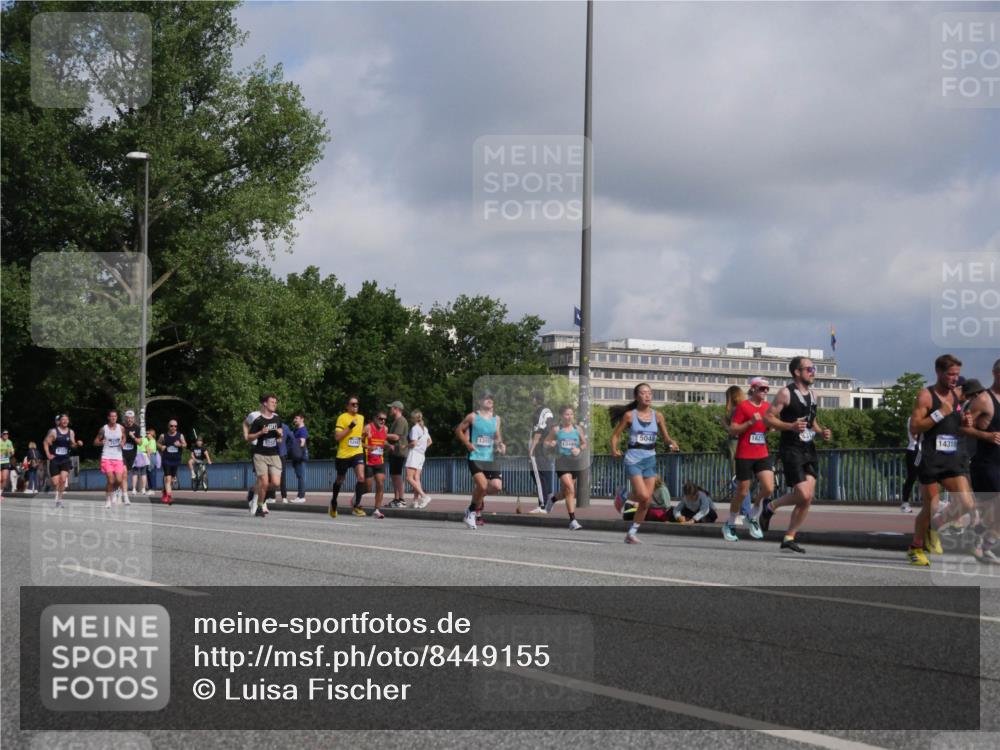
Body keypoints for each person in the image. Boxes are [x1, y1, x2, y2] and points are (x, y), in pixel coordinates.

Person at [904, 354, 977, 567]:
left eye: (957, 374)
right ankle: (915, 548)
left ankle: (935, 526)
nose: (955, 378)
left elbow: (955, 424)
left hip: (952, 458)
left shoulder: (958, 394)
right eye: (950, 374)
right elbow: (915, 427)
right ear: (938, 372)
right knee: (931, 506)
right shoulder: (926, 396)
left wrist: (965, 421)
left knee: (966, 503)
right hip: (930, 458)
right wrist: (939, 413)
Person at [759, 357, 833, 554]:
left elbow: (812, 421)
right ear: (797, 372)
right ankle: (771, 507)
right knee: (803, 493)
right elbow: (767, 418)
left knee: (807, 498)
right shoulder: (786, 393)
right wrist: (790, 426)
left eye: (813, 369)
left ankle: (789, 537)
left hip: (808, 449)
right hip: (791, 449)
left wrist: (821, 432)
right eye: (809, 369)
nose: (813, 372)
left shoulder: (814, 395)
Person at [609, 383, 680, 544]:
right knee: (643, 495)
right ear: (636, 396)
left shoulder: (658, 416)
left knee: (646, 501)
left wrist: (672, 443)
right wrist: (614, 449)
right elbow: (615, 436)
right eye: (643, 393)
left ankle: (631, 533)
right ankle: (624, 495)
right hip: (633, 459)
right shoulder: (629, 416)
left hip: (650, 459)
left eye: (649, 393)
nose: (647, 396)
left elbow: (666, 438)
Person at [724, 377, 773, 541]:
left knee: (768, 488)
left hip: (762, 453)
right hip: (745, 454)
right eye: (762, 388)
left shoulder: (767, 407)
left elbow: (770, 426)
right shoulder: (743, 407)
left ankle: (752, 515)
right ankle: (730, 523)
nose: (765, 391)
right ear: (753, 389)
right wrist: (750, 422)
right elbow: (733, 429)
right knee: (742, 491)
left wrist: (771, 427)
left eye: (767, 389)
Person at [961, 362, 1000, 564]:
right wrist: (986, 436)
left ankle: (983, 546)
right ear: (995, 373)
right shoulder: (984, 400)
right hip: (986, 463)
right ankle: (977, 537)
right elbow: (962, 428)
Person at [455, 392, 506, 530]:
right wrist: (467, 443)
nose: (490, 400)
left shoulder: (496, 419)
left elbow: (497, 436)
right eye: (486, 398)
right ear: (479, 401)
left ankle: (475, 500)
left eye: (491, 398)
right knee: (482, 486)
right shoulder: (473, 416)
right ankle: (471, 511)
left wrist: (500, 445)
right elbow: (458, 430)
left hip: (490, 457)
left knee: (496, 486)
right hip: (475, 456)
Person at [544, 404, 586, 530]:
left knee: (566, 492)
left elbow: (584, 443)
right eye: (567, 414)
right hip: (562, 461)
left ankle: (552, 499)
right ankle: (572, 520)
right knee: (570, 489)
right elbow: (545, 442)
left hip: (575, 462)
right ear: (561, 416)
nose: (570, 417)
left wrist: (579, 449)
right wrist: (551, 443)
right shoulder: (557, 430)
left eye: (571, 414)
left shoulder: (577, 429)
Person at [246, 393, 283, 518]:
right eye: (272, 402)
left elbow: (280, 438)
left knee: (276, 483)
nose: (274, 404)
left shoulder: (277, 419)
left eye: (275, 402)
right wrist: (260, 433)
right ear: (265, 404)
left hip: (274, 454)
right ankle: (260, 506)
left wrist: (280, 435)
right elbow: (249, 437)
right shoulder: (258, 420)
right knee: (264, 482)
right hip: (260, 454)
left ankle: (254, 492)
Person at [330, 396, 365, 519]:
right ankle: (333, 502)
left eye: (357, 404)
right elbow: (337, 437)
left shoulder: (361, 418)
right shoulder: (342, 418)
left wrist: (365, 436)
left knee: (361, 477)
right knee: (340, 479)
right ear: (347, 406)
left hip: (357, 452)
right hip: (343, 454)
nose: (355, 406)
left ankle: (356, 506)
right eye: (353, 404)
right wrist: (350, 426)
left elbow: (359, 435)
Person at [43, 415, 82, 508]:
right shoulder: (54, 431)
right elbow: (45, 442)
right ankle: (52, 488)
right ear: (59, 421)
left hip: (65, 459)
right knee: (56, 482)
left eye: (66, 420)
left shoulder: (71, 432)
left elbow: (72, 445)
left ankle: (59, 500)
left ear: (68, 421)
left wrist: (77, 444)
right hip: (55, 460)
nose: (65, 421)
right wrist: (48, 454)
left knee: (63, 480)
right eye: (63, 420)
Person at [94, 409, 129, 509]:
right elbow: (95, 441)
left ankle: (115, 491)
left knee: (119, 479)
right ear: (108, 417)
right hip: (107, 457)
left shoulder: (121, 428)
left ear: (117, 418)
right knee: (110, 480)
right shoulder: (104, 429)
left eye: (115, 416)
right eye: (112, 416)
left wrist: (123, 442)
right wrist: (100, 442)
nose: (113, 418)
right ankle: (108, 500)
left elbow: (124, 437)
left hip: (118, 457)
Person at [528, 392, 556, 513]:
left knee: (538, 476)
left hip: (539, 448)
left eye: (532, 398)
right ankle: (548, 501)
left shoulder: (539, 412)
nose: (531, 400)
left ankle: (542, 505)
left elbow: (538, 431)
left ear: (536, 399)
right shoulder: (548, 411)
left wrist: (531, 449)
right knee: (545, 475)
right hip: (547, 448)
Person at [361, 410, 389, 518]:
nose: (383, 421)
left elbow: (383, 441)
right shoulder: (368, 427)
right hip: (369, 461)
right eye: (381, 419)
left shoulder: (385, 429)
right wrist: (369, 447)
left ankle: (377, 510)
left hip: (380, 461)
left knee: (380, 484)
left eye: (385, 419)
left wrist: (389, 445)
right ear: (375, 418)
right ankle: (356, 496)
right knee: (368, 488)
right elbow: (358, 441)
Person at [406, 409, 433, 508]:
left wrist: (405, 446)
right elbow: (430, 441)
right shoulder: (424, 428)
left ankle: (424, 496)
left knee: (409, 478)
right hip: (422, 455)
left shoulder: (415, 428)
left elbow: (413, 443)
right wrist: (423, 448)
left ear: (413, 418)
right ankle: (415, 501)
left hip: (414, 454)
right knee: (416, 478)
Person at [385, 401, 409, 507]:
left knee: (397, 476)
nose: (390, 410)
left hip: (399, 452)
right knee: (394, 475)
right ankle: (396, 499)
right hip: (394, 452)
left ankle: (402, 499)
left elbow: (396, 437)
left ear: (396, 409)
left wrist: (382, 434)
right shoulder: (396, 421)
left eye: (391, 408)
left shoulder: (401, 421)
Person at [157, 420, 186, 504]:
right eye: (171, 426)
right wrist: (161, 446)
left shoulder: (180, 435)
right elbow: (157, 443)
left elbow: (185, 444)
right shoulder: (163, 436)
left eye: (175, 426)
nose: (173, 427)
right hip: (166, 460)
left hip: (176, 460)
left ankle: (164, 491)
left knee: (172, 479)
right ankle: (169, 497)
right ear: (168, 426)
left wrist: (180, 445)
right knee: (168, 478)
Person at [900, 415, 921, 513]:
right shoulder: (914, 418)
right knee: (912, 477)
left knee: (929, 476)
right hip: (915, 451)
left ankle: (934, 500)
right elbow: (915, 436)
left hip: (922, 451)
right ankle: (905, 503)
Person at [289, 413, 309, 503]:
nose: (295, 420)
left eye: (296, 418)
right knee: (299, 476)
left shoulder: (303, 430)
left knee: (301, 476)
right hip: (296, 456)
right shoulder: (296, 430)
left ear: (302, 419)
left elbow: (302, 442)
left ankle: (301, 497)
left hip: (300, 456)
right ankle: (300, 496)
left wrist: (295, 448)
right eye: (294, 418)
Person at [121, 411, 142, 493]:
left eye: (131, 418)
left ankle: (121, 489)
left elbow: (140, 443)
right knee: (124, 472)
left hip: (132, 454)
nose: (129, 420)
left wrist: (133, 436)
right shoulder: (121, 427)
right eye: (128, 418)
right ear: (125, 418)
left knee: (126, 473)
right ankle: (123, 492)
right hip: (121, 453)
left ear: (134, 419)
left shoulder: (137, 428)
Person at [132, 428, 154, 496]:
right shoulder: (145, 439)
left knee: (135, 473)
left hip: (136, 455)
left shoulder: (135, 439)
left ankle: (134, 489)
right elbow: (148, 450)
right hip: (144, 456)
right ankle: (143, 489)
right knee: (144, 473)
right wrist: (149, 459)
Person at [0, 430, 13, 501]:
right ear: (1, 435)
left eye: (7, 434)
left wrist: (11, 452)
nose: (6, 435)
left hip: (5, 462)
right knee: (0, 479)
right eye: (4, 434)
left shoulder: (9, 442)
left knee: (4, 479)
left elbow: (12, 452)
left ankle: (0, 494)